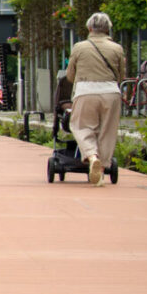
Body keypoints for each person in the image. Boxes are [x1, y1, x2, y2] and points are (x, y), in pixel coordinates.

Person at [63, 12, 127, 185]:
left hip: (86, 91)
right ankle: (102, 169)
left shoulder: (79, 47)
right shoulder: (117, 48)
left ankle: (92, 156)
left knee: (81, 126)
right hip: (111, 92)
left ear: (90, 28)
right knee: (107, 131)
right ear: (108, 29)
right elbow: (122, 75)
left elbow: (70, 75)